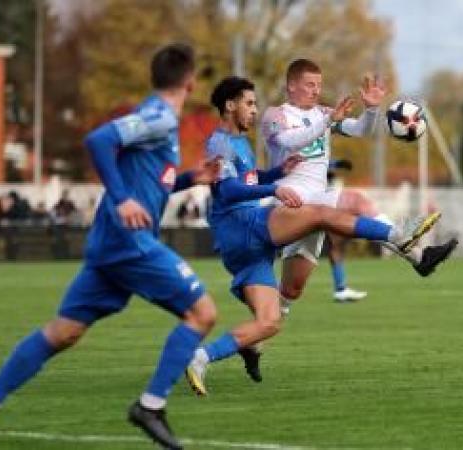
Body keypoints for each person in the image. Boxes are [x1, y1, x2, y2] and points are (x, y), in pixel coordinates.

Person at [0, 43, 221, 450]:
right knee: (202, 313)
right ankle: (150, 406)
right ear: (190, 81)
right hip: (128, 241)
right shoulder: (158, 117)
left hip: (110, 245)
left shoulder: (158, 120)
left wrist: (191, 179)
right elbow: (99, 140)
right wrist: (121, 198)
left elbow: (151, 180)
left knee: (63, 332)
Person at [184, 76, 443, 395]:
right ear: (229, 105)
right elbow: (228, 189)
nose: (254, 109)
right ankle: (398, 235)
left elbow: (248, 179)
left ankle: (201, 357)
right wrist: (275, 186)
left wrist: (275, 173)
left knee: (270, 322)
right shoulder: (221, 142)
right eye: (249, 103)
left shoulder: (239, 143)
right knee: (323, 214)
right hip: (242, 225)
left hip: (249, 248)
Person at [261, 59, 458, 315]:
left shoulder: (322, 113)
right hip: (289, 204)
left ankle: (254, 341)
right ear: (291, 86)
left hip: (318, 199)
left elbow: (358, 130)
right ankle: (410, 246)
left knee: (291, 291)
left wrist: (372, 110)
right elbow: (289, 142)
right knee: (354, 202)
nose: (316, 90)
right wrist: (328, 121)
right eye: (310, 84)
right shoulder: (275, 115)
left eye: (319, 85)